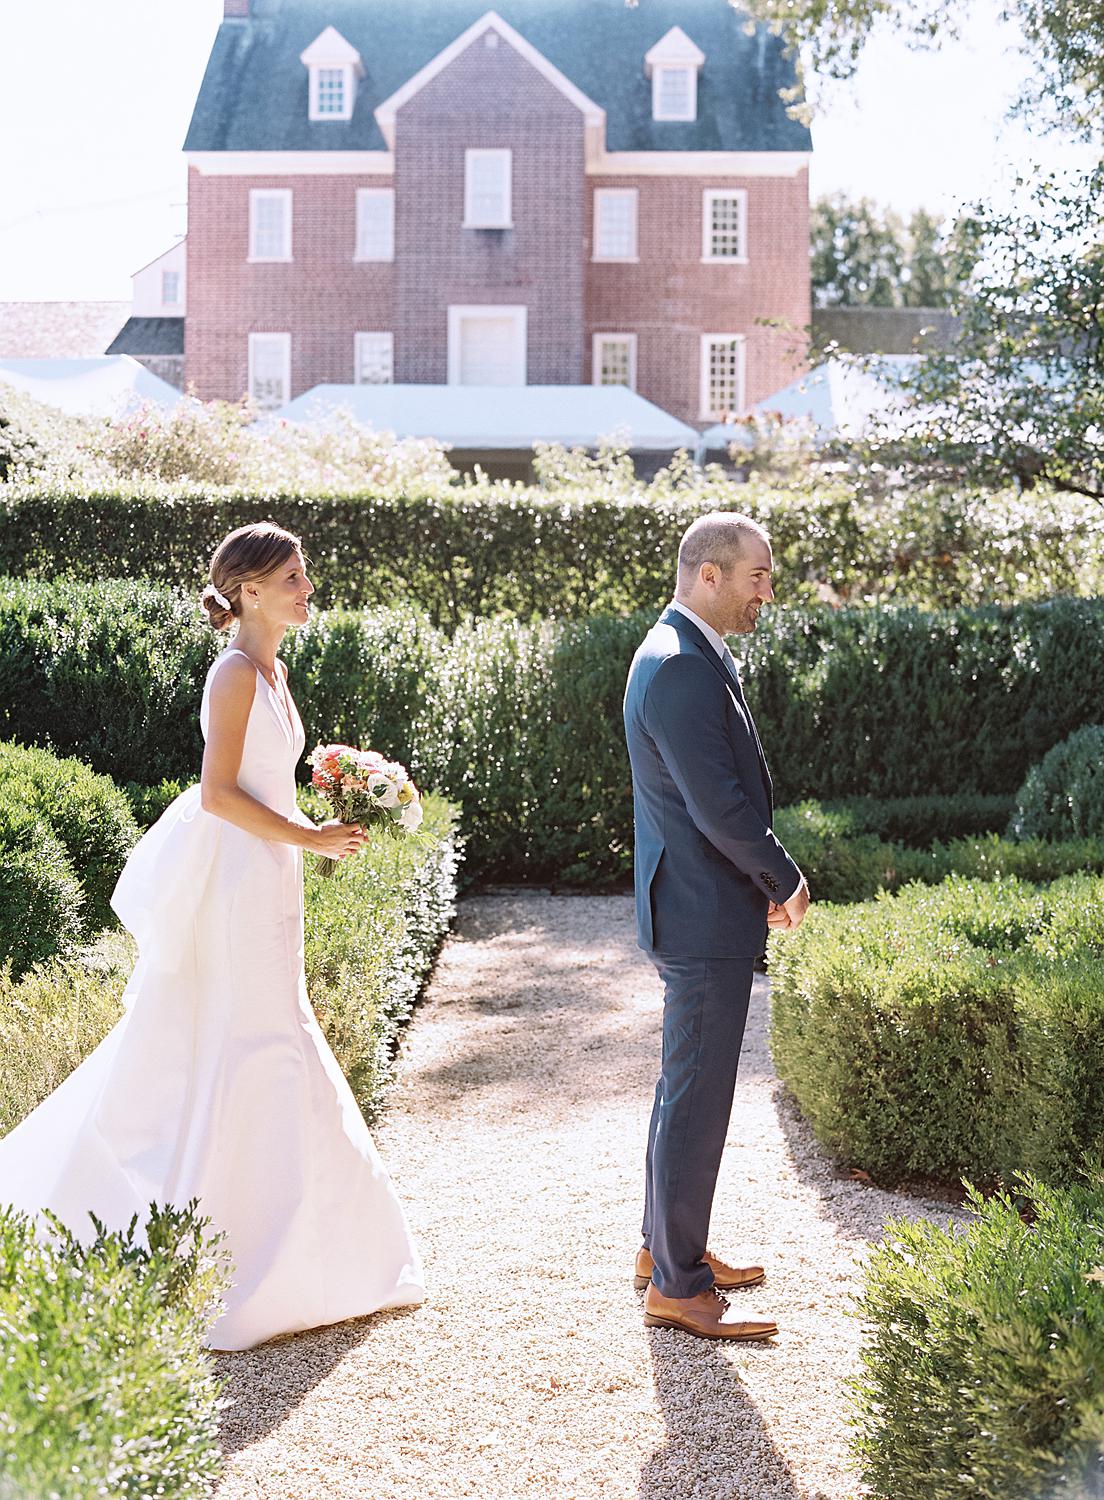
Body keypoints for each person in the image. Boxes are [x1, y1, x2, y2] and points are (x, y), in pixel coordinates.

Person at [0, 521, 424, 1349]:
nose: (309, 590)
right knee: (250, 1038)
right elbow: (218, 794)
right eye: (294, 578)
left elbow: (267, 782)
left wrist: (324, 819)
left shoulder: (276, 669)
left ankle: (298, 1247)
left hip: (271, 881)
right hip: (238, 883)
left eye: (306, 576)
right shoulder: (232, 674)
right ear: (250, 591)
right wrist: (308, 838)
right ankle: (232, 1254)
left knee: (272, 1033)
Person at [622, 511, 810, 1341]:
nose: (767, 591)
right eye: (757, 576)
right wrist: (784, 878)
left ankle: (664, 1250)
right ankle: (678, 1284)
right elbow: (720, 808)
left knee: (685, 1088)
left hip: (699, 904)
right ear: (709, 574)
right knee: (697, 1098)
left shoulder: (684, 651)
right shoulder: (679, 667)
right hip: (701, 914)